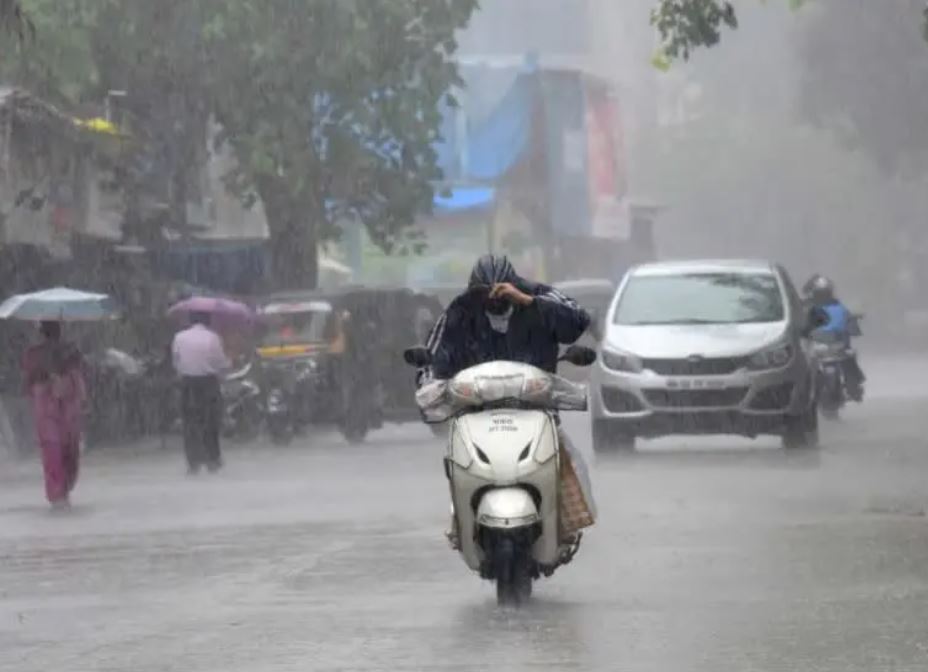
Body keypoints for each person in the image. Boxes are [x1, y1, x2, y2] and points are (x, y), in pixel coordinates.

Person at [422, 254, 594, 548]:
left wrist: (528, 302)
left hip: (535, 408)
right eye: (484, 294)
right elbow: (432, 359)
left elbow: (578, 321)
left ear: (515, 285)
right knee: (454, 458)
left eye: (502, 291)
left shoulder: (537, 297)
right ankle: (461, 524)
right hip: (476, 412)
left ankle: (563, 528)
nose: (494, 299)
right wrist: (430, 393)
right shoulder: (459, 312)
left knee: (567, 459)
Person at [21, 321, 86, 509]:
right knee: (59, 448)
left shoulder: (70, 351)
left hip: (59, 404)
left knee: (58, 449)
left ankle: (60, 491)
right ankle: (59, 492)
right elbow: (30, 379)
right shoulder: (37, 354)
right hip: (54, 404)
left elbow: (27, 382)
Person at [172, 312, 230, 474]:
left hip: (187, 384)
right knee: (211, 422)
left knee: (190, 423)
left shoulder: (179, 337)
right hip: (208, 383)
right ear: (208, 321)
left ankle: (193, 461)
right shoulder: (212, 337)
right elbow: (220, 362)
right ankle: (213, 458)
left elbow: (176, 362)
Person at [805, 275, 865, 401]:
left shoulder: (838, 306)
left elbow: (848, 319)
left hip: (837, 344)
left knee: (849, 356)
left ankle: (853, 386)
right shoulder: (808, 307)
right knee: (802, 365)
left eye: (825, 293)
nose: (823, 296)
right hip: (816, 345)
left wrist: (852, 323)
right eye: (820, 293)